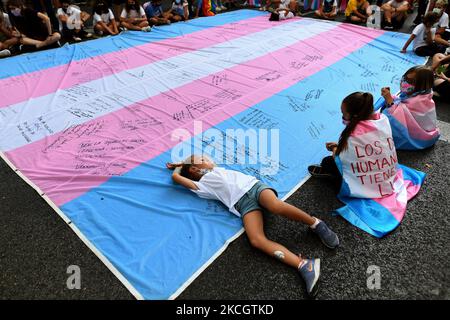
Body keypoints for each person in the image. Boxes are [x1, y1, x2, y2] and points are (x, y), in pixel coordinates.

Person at [167, 155, 340, 298]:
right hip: (244, 206)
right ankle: (304, 265)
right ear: (195, 169)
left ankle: (315, 223)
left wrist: (183, 164)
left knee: (275, 206)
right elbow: (177, 178)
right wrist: (181, 167)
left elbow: (190, 169)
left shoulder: (216, 170)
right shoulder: (202, 186)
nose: (209, 158)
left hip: (254, 188)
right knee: (256, 240)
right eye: (203, 158)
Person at [308, 92, 425, 237]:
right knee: (336, 162)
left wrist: (335, 148)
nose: (342, 117)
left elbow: (342, 160)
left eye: (344, 114)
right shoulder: (382, 119)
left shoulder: (352, 135)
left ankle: (330, 176)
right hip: (386, 173)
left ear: (354, 115)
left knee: (328, 162)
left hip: (369, 183)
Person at [381, 66, 440, 149]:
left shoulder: (417, 101)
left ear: (421, 85)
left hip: (420, 140)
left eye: (410, 81)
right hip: (431, 135)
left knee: (386, 116)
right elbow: (402, 103)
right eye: (405, 77)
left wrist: (389, 99)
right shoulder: (425, 93)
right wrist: (391, 98)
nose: (404, 82)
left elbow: (394, 116)